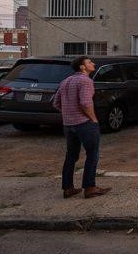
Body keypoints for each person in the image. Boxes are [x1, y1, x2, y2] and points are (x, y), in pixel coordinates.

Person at [51, 55, 111, 199]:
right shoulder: (86, 81)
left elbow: (56, 103)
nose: (93, 63)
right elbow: (85, 103)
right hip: (84, 123)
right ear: (82, 67)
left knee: (71, 155)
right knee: (92, 154)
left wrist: (69, 112)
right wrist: (93, 119)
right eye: (90, 62)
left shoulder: (65, 81)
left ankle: (68, 188)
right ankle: (90, 188)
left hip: (68, 124)